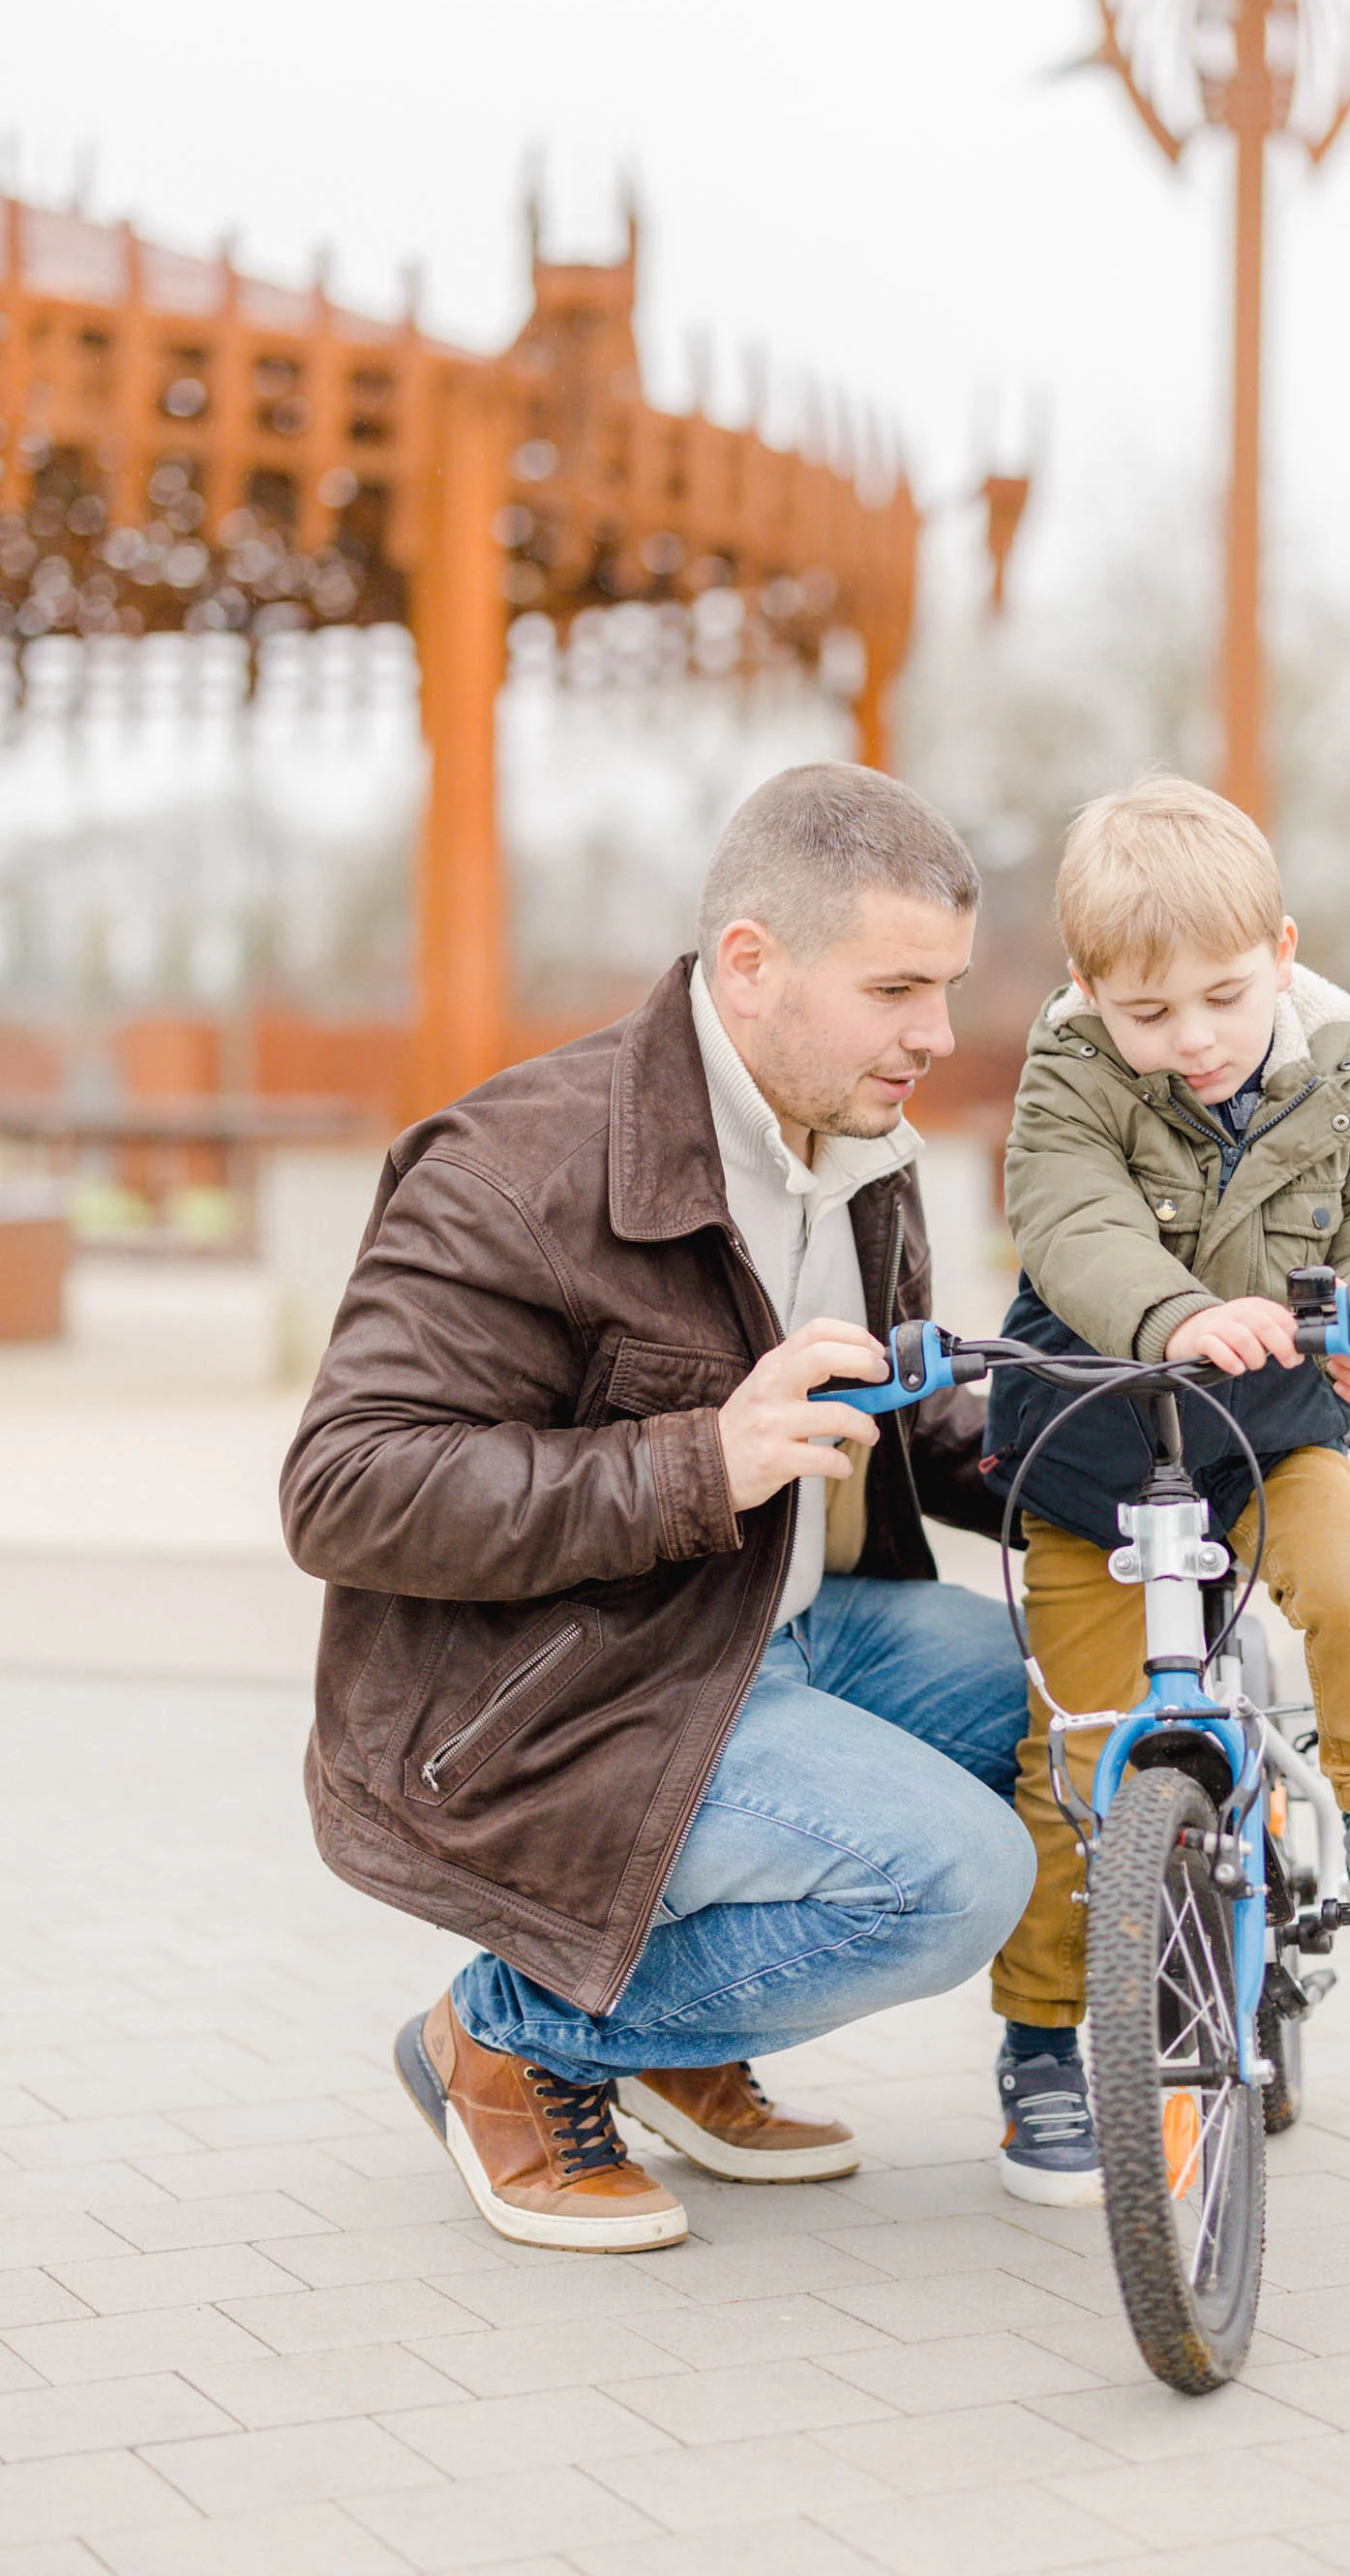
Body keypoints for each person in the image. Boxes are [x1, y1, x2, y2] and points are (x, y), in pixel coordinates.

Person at [282, 764, 1035, 2253]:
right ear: (750, 965)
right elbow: (343, 1485)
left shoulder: (857, 1143)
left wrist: (1152, 1444)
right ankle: (509, 2043)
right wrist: (704, 1461)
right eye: (896, 988)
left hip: (783, 1634)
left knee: (1088, 1693)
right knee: (955, 1882)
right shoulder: (514, 1169)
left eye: (944, 988)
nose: (936, 1036)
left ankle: (674, 2042)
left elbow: (902, 1414)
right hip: (561, 1699)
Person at [979, 775, 1350, 2205]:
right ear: (1091, 991)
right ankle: (1043, 2039)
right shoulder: (1073, 1075)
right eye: (1149, 1014)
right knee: (1075, 1763)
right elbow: (1071, 1217)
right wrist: (1169, 1315)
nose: (1191, 1040)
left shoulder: (1345, 1076)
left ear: (1281, 951)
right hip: (1100, 1438)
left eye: (1222, 997)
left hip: (1276, 1422)